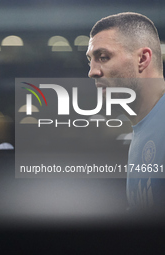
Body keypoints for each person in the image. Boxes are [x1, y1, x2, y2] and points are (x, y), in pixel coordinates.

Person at [86, 12, 165, 211]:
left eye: (103, 57)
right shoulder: (140, 132)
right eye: (91, 60)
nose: (92, 71)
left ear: (143, 59)